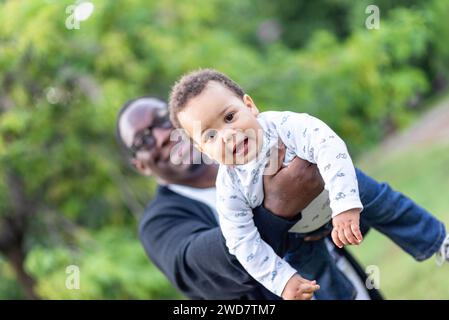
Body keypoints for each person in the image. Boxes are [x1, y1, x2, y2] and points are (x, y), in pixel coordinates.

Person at [167, 69, 449, 300]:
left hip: (336, 187)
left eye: (230, 117)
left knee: (386, 204)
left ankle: (438, 240)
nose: (228, 135)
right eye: (211, 135)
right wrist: (282, 280)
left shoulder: (282, 125)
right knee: (316, 276)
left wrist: (344, 205)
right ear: (202, 150)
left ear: (250, 106)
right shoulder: (229, 188)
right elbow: (241, 241)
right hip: (298, 233)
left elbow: (327, 145)